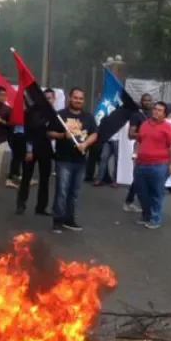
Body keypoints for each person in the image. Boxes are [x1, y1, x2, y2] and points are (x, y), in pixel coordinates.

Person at [48, 87, 98, 232]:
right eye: (75, 97)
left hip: (81, 161)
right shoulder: (60, 115)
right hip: (63, 159)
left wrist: (85, 144)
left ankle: (69, 219)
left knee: (74, 193)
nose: (78, 100)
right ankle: (58, 220)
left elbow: (94, 134)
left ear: (84, 100)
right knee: (62, 191)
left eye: (80, 98)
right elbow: (49, 133)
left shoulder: (88, 117)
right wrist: (63, 136)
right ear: (70, 98)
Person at [133, 102, 171, 229]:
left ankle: (155, 218)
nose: (155, 112)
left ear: (164, 114)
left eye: (159, 110)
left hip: (159, 165)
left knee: (157, 193)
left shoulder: (168, 127)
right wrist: (135, 154)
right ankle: (146, 215)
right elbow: (138, 141)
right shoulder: (144, 124)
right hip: (141, 164)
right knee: (141, 192)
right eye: (155, 109)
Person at [16, 88, 57, 216]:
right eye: (46, 98)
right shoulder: (32, 111)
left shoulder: (55, 114)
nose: (48, 100)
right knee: (26, 178)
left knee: (44, 179)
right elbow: (27, 132)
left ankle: (41, 207)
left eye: (50, 98)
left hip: (46, 150)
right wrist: (29, 150)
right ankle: (21, 204)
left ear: (54, 99)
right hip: (31, 149)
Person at [123, 93, 154, 212]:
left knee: (148, 177)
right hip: (139, 149)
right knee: (139, 177)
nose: (147, 102)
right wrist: (144, 135)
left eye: (149, 100)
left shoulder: (153, 116)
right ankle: (129, 201)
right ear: (141, 102)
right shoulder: (136, 116)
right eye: (145, 100)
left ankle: (144, 202)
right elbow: (130, 135)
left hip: (152, 150)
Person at [94, 123, 119, 187]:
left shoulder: (122, 114)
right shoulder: (108, 113)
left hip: (118, 139)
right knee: (103, 157)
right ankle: (99, 179)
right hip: (108, 139)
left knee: (117, 160)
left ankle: (116, 180)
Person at [6, 124, 26, 189]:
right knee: (17, 157)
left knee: (18, 157)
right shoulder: (19, 115)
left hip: (18, 135)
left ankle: (14, 175)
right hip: (18, 135)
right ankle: (13, 177)